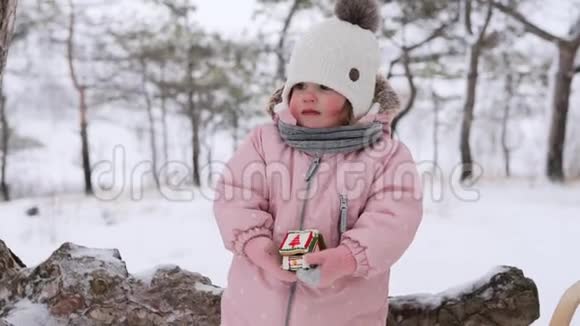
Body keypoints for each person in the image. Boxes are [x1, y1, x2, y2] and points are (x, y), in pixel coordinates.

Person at [213, 0, 423, 325]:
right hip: (255, 309)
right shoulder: (264, 142)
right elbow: (236, 195)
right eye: (301, 86)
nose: (309, 95)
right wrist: (257, 245)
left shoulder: (385, 156)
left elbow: (394, 219)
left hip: (342, 312)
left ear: (357, 95)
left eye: (325, 87)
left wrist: (347, 258)